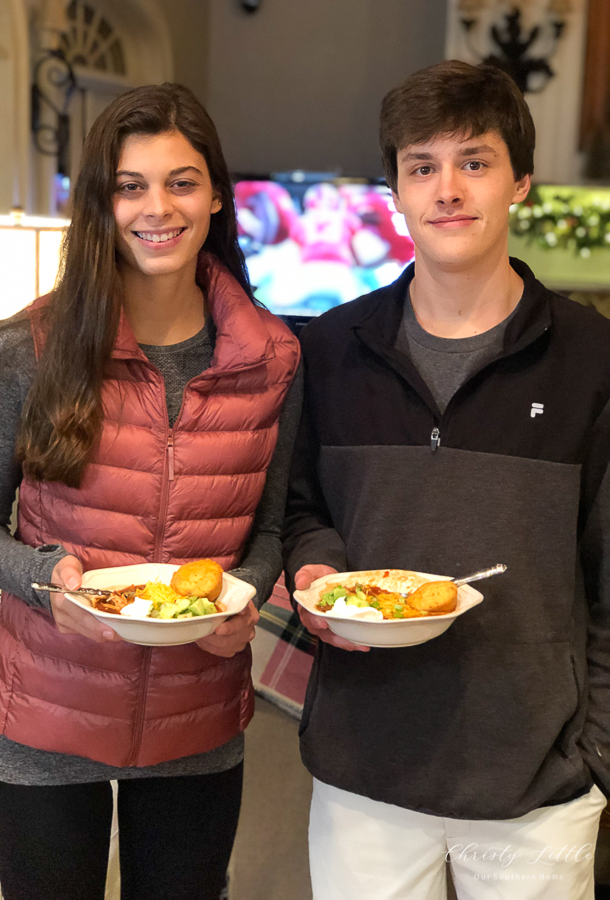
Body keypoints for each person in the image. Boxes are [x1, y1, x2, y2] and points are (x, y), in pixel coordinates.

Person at [0, 83, 301, 900]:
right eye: (129, 185)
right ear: (101, 204)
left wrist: (243, 598)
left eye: (181, 182)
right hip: (46, 712)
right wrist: (48, 582)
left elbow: (271, 532)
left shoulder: (274, 357)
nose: (158, 208)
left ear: (216, 193)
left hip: (197, 721)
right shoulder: (26, 348)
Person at [283, 60, 610, 900]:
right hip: (362, 772)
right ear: (393, 190)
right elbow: (302, 508)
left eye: (474, 161)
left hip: (535, 786)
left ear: (520, 184)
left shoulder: (591, 360)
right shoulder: (328, 349)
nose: (446, 189)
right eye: (420, 166)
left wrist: (597, 761)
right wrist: (314, 566)